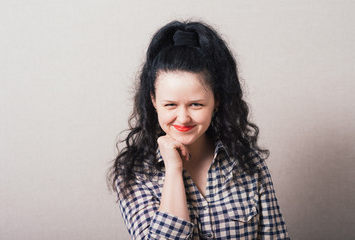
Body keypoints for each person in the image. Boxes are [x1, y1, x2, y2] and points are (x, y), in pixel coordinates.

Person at [108, 20, 289, 239]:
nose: (183, 118)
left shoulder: (248, 163)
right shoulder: (134, 174)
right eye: (170, 105)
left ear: (216, 102)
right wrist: (173, 170)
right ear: (154, 101)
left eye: (196, 104)